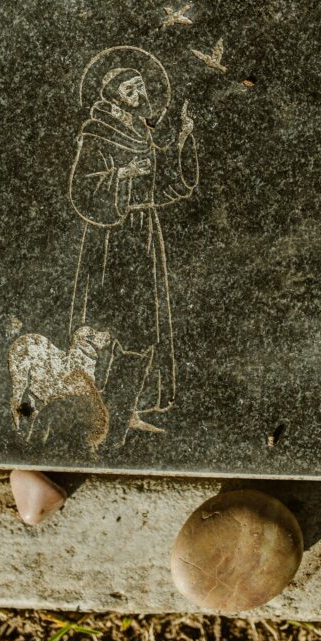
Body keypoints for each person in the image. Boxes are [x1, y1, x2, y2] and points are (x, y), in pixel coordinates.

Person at [69, 63, 198, 443]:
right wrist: (123, 175)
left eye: (141, 87)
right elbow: (82, 188)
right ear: (112, 93)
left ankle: (130, 408)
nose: (140, 96)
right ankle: (96, 411)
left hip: (144, 231)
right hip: (112, 235)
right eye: (132, 89)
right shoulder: (96, 132)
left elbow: (166, 183)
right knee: (109, 323)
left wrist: (181, 140)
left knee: (144, 323)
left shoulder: (142, 131)